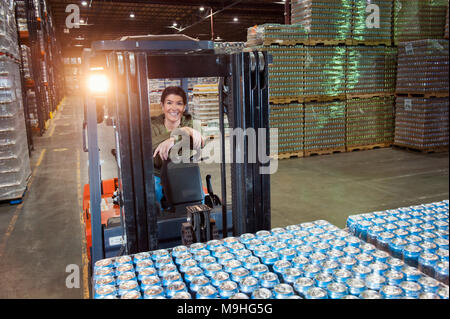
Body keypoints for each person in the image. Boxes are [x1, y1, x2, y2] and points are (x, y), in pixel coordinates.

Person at [151, 86, 204, 204]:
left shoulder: (191, 122)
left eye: (179, 103)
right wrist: (184, 132)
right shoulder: (153, 125)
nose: (174, 108)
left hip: (183, 173)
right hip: (157, 175)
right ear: (162, 105)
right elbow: (149, 147)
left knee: (199, 203)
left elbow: (200, 142)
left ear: (184, 107)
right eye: (169, 103)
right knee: (153, 199)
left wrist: (173, 140)